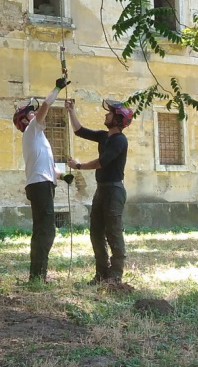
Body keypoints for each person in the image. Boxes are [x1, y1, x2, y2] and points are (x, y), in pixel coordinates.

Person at [65, 98, 133, 286]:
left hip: (114, 190)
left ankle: (115, 275)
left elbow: (101, 162)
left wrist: (78, 165)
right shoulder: (104, 136)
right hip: (102, 190)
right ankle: (101, 274)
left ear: (118, 120)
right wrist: (71, 111)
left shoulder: (120, 140)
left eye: (109, 113)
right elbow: (80, 131)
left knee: (113, 232)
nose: (106, 114)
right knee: (96, 233)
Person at [13, 76, 70, 283]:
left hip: (42, 184)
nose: (35, 113)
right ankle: (38, 276)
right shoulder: (32, 129)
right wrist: (57, 87)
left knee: (43, 231)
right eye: (31, 112)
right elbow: (46, 104)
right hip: (40, 187)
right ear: (26, 120)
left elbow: (47, 168)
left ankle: (37, 275)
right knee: (46, 232)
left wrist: (63, 175)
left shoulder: (38, 136)